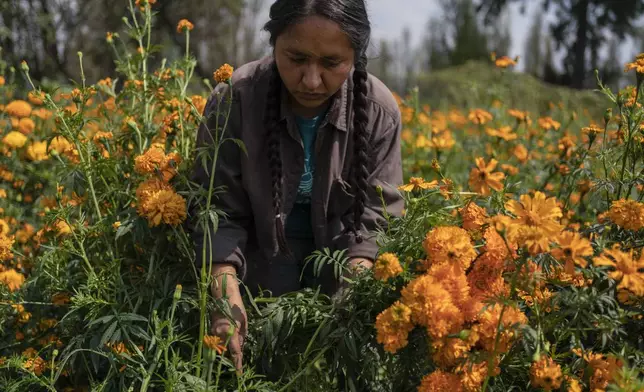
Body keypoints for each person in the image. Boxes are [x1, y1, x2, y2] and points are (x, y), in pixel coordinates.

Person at [186, 0, 403, 373]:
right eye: (296, 58)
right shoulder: (236, 98)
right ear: (273, 45)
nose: (312, 80)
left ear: (356, 56)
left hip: (341, 264)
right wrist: (225, 297)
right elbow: (216, 210)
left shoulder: (378, 110)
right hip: (255, 263)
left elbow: (374, 221)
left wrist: (353, 301)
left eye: (331, 63)